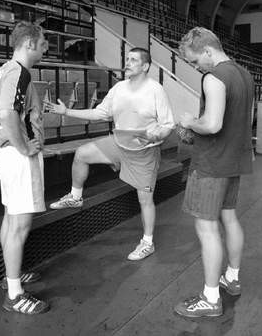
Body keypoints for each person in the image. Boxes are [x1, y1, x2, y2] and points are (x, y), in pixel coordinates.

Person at [46, 47, 174, 260]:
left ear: (145, 66)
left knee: (145, 200)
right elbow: (99, 113)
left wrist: (157, 134)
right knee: (82, 154)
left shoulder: (156, 90)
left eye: (133, 60)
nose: (128, 63)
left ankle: (147, 242)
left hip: (144, 152)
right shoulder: (119, 88)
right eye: (127, 59)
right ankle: (75, 197)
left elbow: (167, 125)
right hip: (119, 144)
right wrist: (66, 112)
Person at [174, 27, 254, 318]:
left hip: (211, 164)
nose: (196, 67)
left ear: (208, 51)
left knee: (206, 228)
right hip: (234, 160)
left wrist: (189, 121)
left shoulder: (215, 76)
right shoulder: (244, 74)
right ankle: (231, 278)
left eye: (196, 61)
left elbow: (212, 125)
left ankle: (210, 298)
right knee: (229, 219)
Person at [0, 21, 50, 314]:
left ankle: (11, 275)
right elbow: (7, 112)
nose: (46, 46)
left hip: (8, 153)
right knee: (19, 226)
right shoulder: (19, 73)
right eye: (43, 41)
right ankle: (14, 294)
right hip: (19, 156)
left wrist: (7, 138)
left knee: (11, 219)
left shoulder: (2, 71)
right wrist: (23, 146)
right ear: (30, 44)